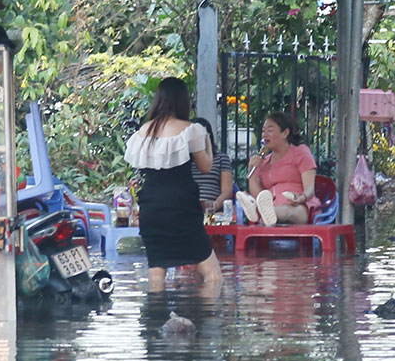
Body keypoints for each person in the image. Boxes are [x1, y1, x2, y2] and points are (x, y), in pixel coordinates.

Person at [123, 77, 224, 293]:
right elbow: (206, 166)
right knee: (213, 275)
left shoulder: (143, 132)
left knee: (156, 272)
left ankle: (155, 319)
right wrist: (206, 139)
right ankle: (207, 322)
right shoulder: (191, 130)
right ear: (183, 101)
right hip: (182, 208)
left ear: (158, 100)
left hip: (151, 207)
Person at [235, 111, 315, 226]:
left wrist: (301, 198)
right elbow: (260, 195)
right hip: (272, 205)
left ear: (285, 133)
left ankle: (258, 211)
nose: (264, 135)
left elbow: (310, 188)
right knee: (267, 217)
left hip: (299, 206)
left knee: (286, 211)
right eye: (263, 131)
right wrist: (251, 171)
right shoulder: (264, 161)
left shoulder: (300, 152)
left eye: (270, 130)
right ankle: (259, 210)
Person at [188, 117, 234, 217]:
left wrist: (214, 205)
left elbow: (227, 190)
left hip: (213, 209)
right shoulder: (185, 161)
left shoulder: (221, 159)